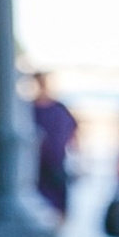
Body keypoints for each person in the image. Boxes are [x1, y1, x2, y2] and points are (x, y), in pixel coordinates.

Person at [35, 73, 81, 221]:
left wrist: (78, 154)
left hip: (56, 160)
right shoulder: (30, 108)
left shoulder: (59, 108)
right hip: (37, 162)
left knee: (59, 194)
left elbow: (74, 130)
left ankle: (60, 222)